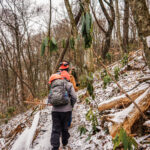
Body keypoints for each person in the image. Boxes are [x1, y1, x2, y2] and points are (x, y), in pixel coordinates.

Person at [48, 71, 77, 150]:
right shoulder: (69, 84)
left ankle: (55, 147)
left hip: (55, 111)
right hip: (67, 111)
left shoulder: (53, 86)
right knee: (65, 128)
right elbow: (74, 97)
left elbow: (49, 99)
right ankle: (64, 143)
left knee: (55, 129)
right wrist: (71, 105)